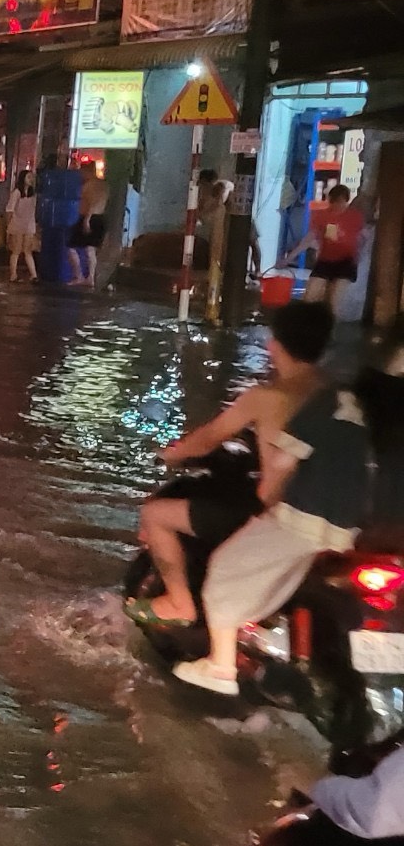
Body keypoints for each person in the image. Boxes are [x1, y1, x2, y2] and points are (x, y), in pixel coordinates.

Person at [172, 323, 376, 696]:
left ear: (276, 346)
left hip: (305, 513)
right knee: (280, 569)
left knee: (225, 568)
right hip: (346, 525)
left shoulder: (321, 401)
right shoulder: (361, 410)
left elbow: (282, 462)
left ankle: (220, 666)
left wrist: (267, 494)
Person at [134, 300, 330, 626]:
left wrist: (172, 453)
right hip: (331, 513)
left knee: (155, 515)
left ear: (275, 344)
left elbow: (210, 437)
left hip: (276, 514)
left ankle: (180, 603)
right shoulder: (334, 393)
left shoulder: (267, 397)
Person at [306, 182, 367, 307]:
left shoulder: (355, 216)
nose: (337, 206)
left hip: (346, 262)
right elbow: (311, 237)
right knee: (310, 296)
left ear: (346, 201)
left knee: (334, 300)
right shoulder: (322, 215)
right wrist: (289, 258)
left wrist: (360, 258)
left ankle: (329, 321)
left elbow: (363, 237)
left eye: (341, 202)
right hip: (325, 260)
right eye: (334, 202)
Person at [71, 163, 109, 282]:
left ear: (87, 171)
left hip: (88, 217)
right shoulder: (105, 186)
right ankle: (90, 278)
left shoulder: (89, 186)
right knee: (91, 249)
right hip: (100, 217)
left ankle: (79, 276)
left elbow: (92, 204)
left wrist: (87, 219)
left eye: (82, 172)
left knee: (72, 247)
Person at [6, 172, 40, 281]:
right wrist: (8, 225)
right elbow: (10, 210)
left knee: (27, 250)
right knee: (16, 250)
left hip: (28, 225)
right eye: (29, 177)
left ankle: (34, 275)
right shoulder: (16, 193)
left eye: (32, 177)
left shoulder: (33, 194)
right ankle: (13, 274)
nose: (31, 179)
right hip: (17, 224)